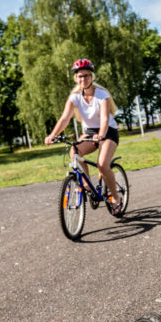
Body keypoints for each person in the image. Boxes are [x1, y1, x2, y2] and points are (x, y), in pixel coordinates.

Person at [45, 58, 122, 213]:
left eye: (86, 75)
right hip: (90, 132)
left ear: (92, 77)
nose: (83, 79)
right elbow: (64, 118)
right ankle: (87, 186)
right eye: (80, 76)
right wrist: (52, 135)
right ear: (76, 78)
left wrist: (101, 135)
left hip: (108, 131)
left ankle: (115, 197)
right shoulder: (75, 97)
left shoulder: (101, 95)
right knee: (74, 150)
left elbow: (104, 118)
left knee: (102, 164)